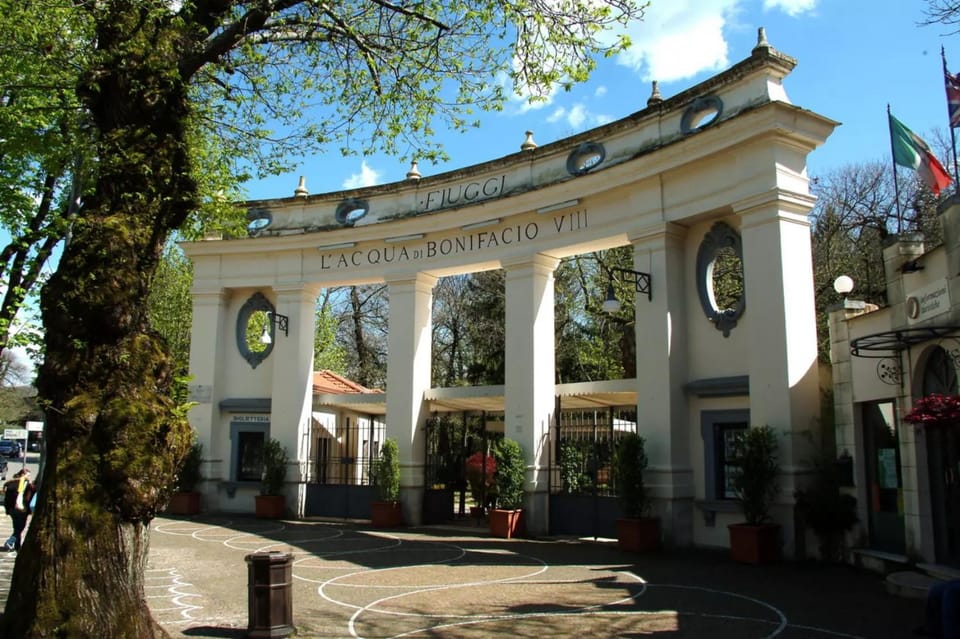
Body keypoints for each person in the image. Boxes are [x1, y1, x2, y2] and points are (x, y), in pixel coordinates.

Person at [3, 468, 35, 553]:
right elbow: (28, 498)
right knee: (20, 527)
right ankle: (10, 541)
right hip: (21, 509)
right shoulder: (25, 483)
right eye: (28, 475)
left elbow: (7, 499)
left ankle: (17, 546)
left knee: (16, 527)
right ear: (23, 475)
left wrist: (7, 510)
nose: (29, 477)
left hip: (12, 509)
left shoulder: (10, 483)